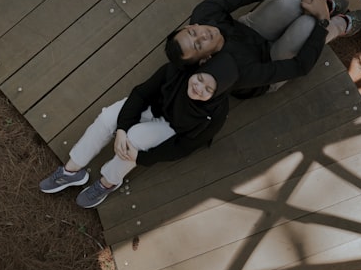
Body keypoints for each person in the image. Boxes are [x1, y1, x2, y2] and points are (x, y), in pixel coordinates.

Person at [39, 57, 238, 209]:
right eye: (200, 78)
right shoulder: (178, 71)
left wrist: (142, 157)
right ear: (198, 70)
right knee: (107, 118)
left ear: (217, 93)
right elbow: (141, 93)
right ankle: (71, 171)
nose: (199, 87)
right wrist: (121, 129)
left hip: (171, 128)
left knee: (134, 142)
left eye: (208, 89)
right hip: (152, 106)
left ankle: (107, 183)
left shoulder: (215, 115)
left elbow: (184, 147)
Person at [164, 0, 361, 96]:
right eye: (199, 45)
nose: (202, 35)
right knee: (308, 26)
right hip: (270, 63)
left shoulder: (204, 14)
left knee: (290, 2)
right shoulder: (232, 72)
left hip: (250, 30)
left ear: (192, 25)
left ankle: (323, 3)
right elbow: (300, 67)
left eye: (193, 32)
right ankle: (339, 24)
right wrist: (322, 21)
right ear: (206, 59)